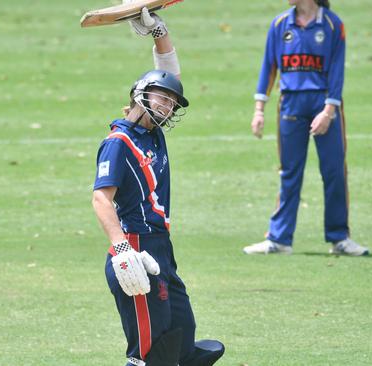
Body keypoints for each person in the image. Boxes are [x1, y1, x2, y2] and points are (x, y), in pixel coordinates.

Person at [91, 7, 224, 366]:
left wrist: (158, 31)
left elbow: (170, 75)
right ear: (140, 95)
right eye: (161, 98)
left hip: (160, 247)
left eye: (171, 103)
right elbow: (101, 199)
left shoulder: (154, 135)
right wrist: (120, 249)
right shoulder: (119, 142)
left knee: (182, 337)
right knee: (150, 351)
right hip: (134, 248)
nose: (166, 106)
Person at [243, 0, 370, 256]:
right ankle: (279, 240)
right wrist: (259, 109)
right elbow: (269, 67)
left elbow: (336, 71)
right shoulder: (280, 24)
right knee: (289, 172)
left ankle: (340, 238)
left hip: (324, 103)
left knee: (334, 170)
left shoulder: (334, 25)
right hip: (290, 104)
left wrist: (328, 111)